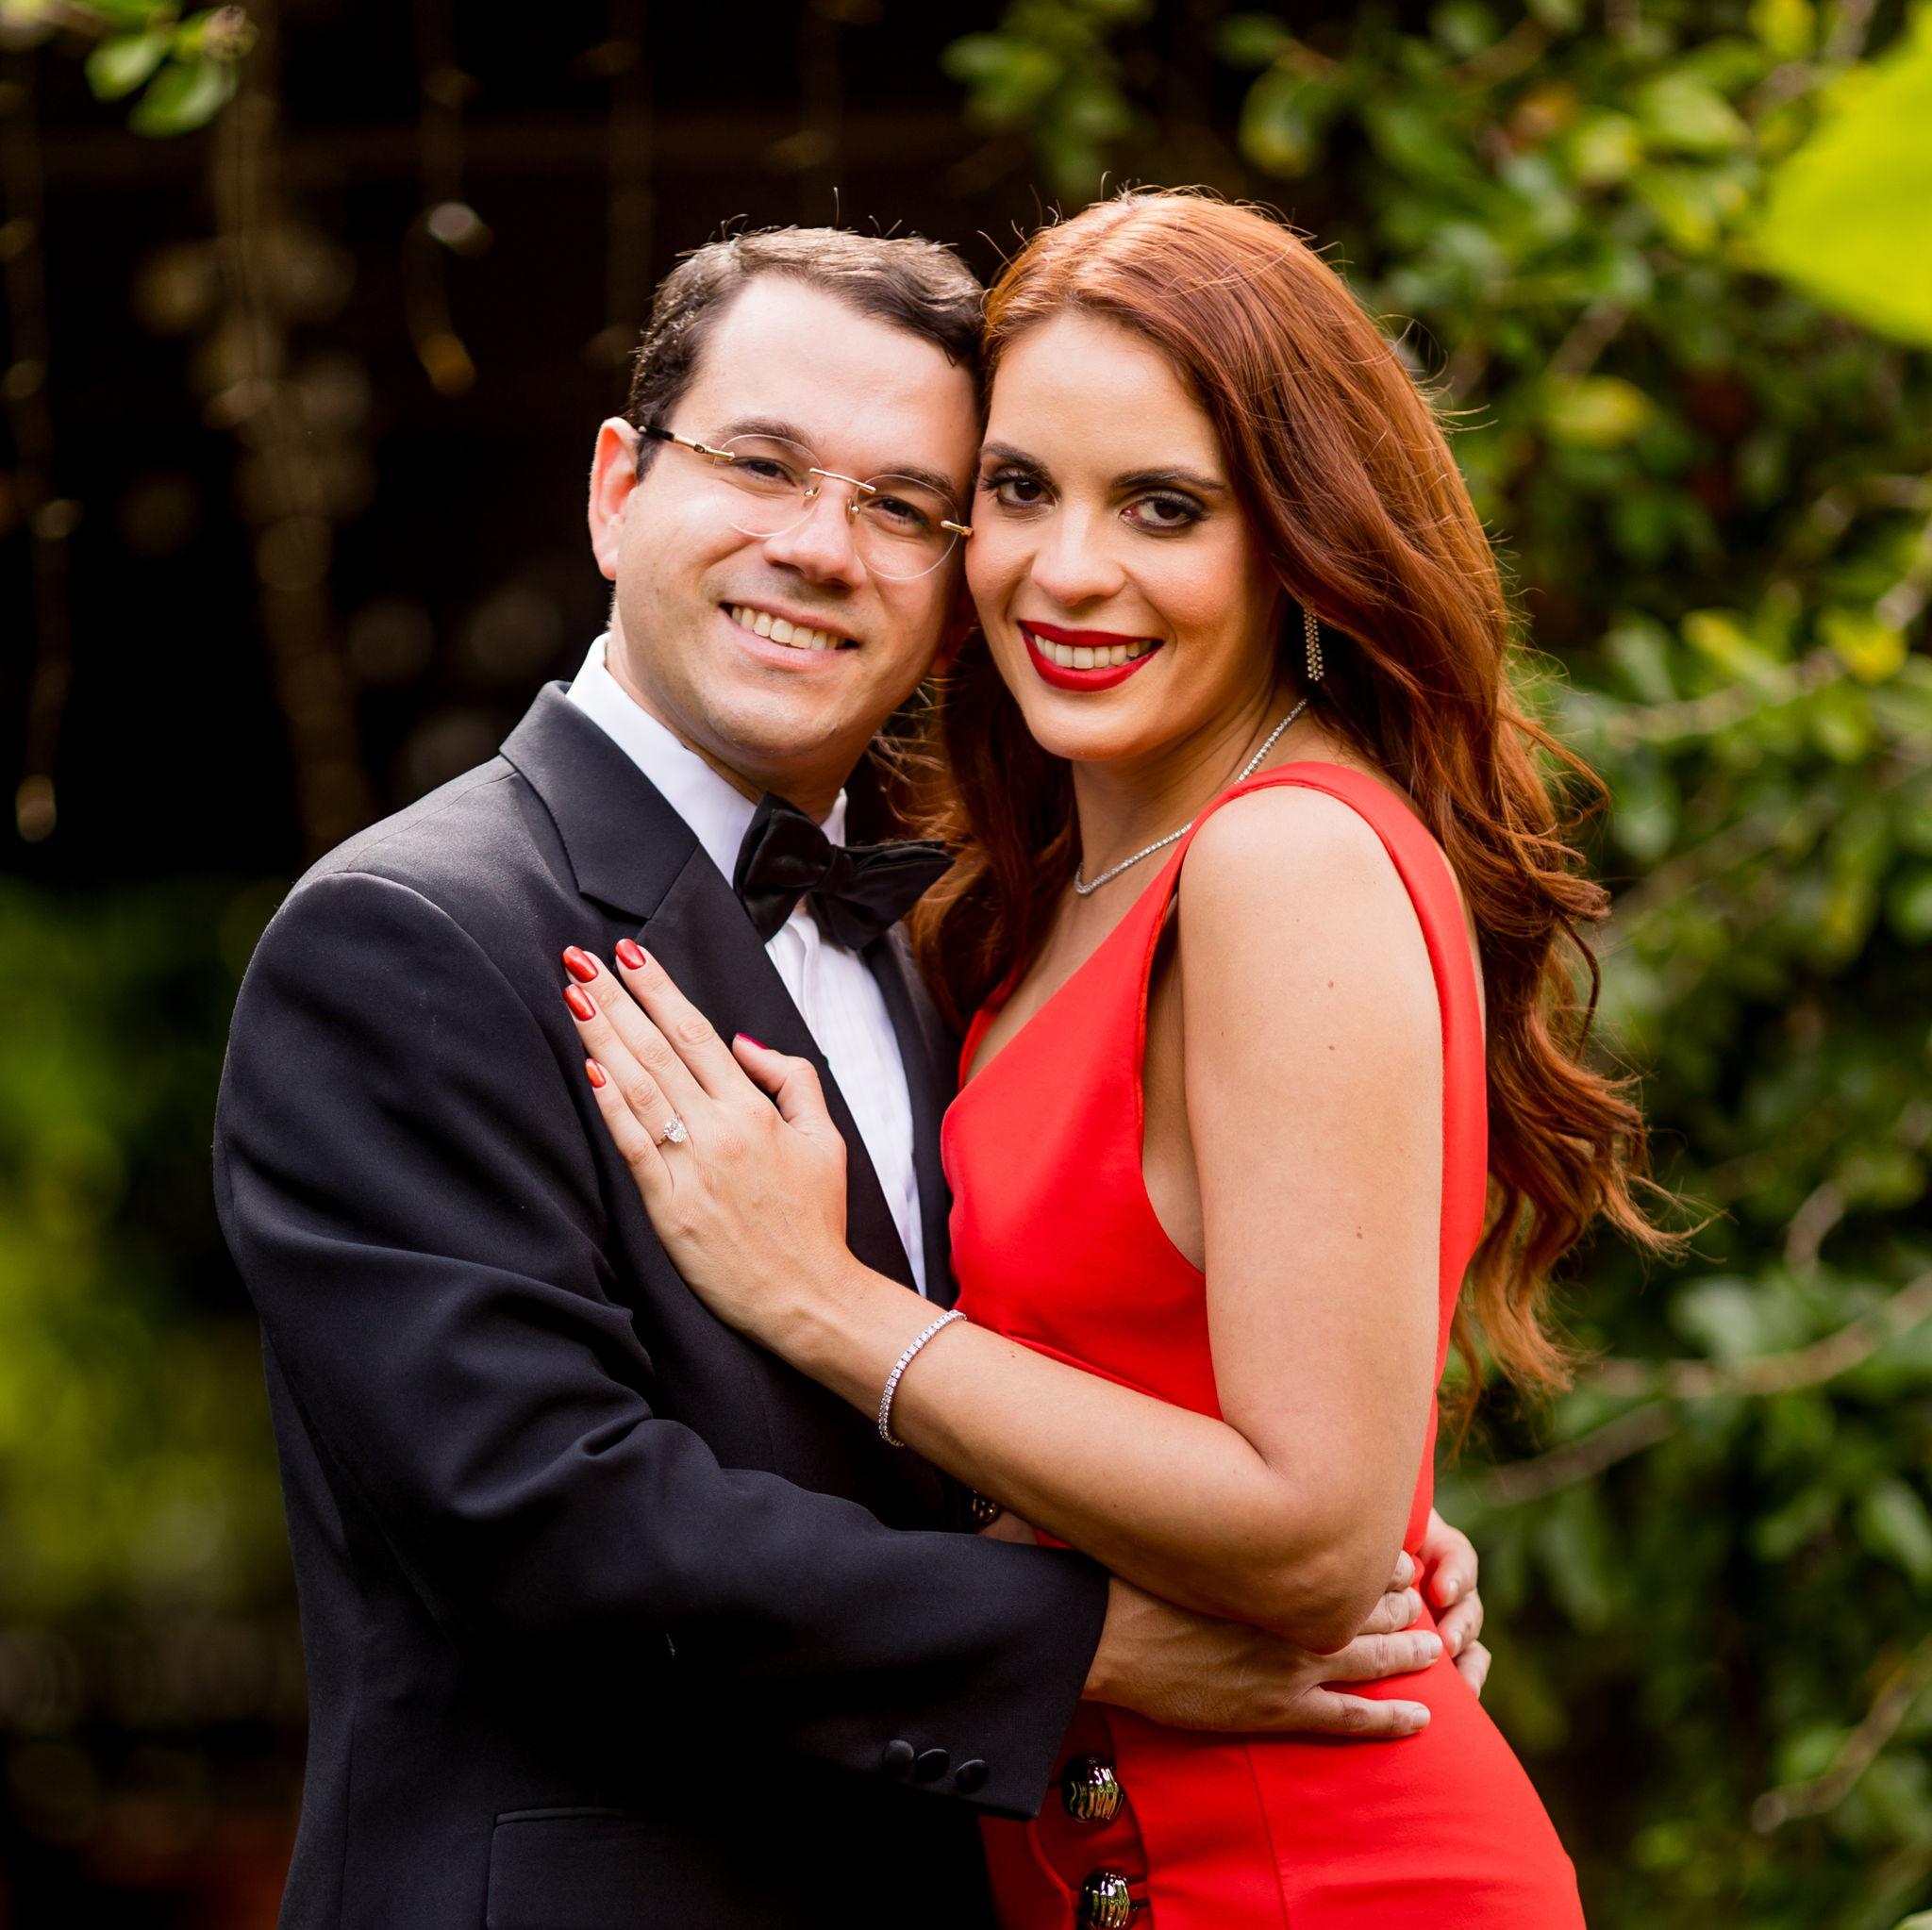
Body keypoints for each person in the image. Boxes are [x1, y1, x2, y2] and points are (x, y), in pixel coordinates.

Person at [213, 225, 1491, 1930]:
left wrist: (1314, 1527)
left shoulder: (959, 940)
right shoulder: (408, 933)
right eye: (762, 466)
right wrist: (1105, 1637)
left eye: (906, 504)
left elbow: (1054, 1385)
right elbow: (549, 1522)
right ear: (617, 490)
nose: (820, 547)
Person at [562, 192, 1675, 1927]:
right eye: (1018, 491)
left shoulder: (1280, 860)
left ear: (1294, 538)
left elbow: (1315, 1532)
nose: (1068, 570)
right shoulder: (1035, 899)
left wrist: (827, 1301)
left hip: (1322, 1869)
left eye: (1165, 506)